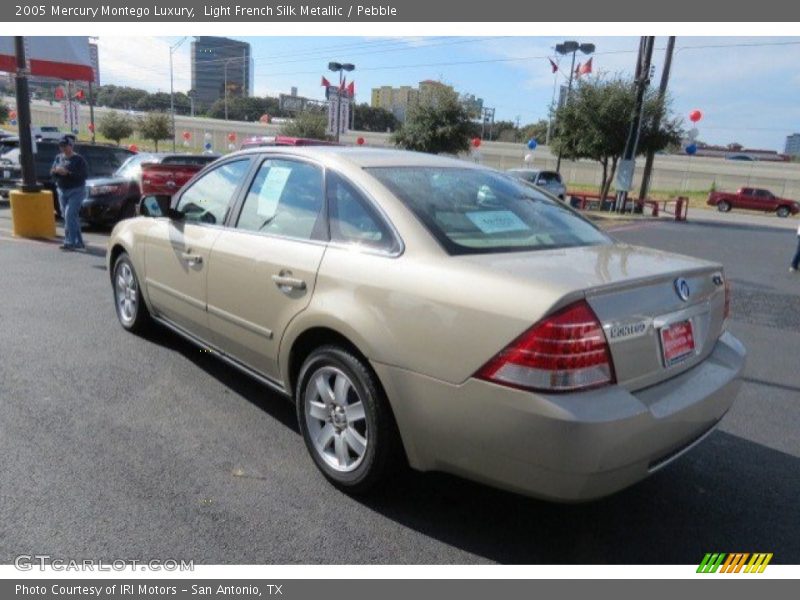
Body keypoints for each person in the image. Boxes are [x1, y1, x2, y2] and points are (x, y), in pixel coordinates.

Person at [51, 135, 88, 251]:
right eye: (61, 146)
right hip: (62, 190)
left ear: (71, 146)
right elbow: (52, 173)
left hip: (76, 191)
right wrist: (56, 172)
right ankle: (78, 242)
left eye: (65, 146)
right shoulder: (58, 158)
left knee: (69, 214)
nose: (63, 149)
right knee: (69, 217)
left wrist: (67, 173)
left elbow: (83, 176)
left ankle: (70, 241)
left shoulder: (79, 159)